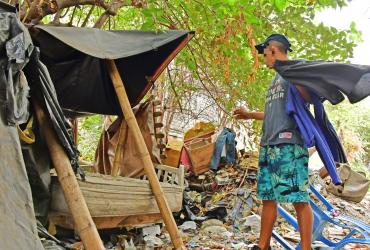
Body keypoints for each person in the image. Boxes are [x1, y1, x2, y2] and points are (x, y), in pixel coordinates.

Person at [233, 34, 313, 250]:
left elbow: (308, 96)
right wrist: (249, 115)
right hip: (269, 146)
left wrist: (296, 76)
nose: (264, 58)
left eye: (265, 53)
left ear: (273, 50)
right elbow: (273, 112)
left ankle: (306, 248)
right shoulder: (274, 80)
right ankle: (262, 246)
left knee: (299, 198)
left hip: (289, 145)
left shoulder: (296, 71)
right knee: (268, 198)